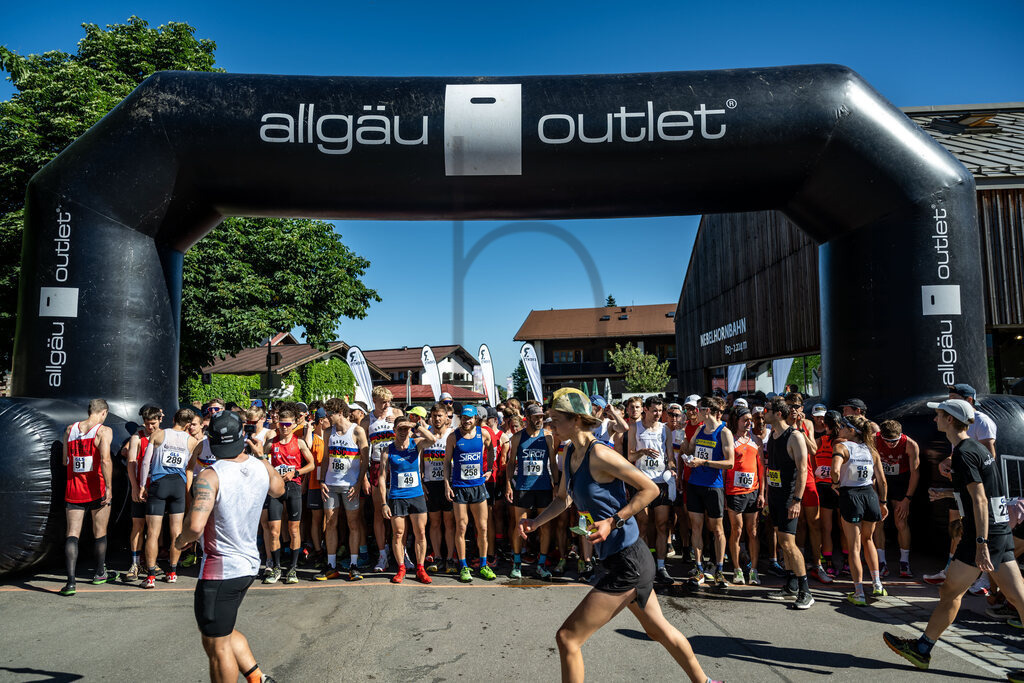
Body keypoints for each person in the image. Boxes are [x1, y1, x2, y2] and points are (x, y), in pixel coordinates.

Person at [521, 389, 718, 683]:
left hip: (629, 562)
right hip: (618, 558)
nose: (551, 426)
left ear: (576, 420)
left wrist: (613, 521)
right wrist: (536, 522)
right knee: (658, 629)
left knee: (567, 638)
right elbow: (563, 499)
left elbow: (649, 490)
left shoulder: (600, 454)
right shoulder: (572, 453)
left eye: (556, 420)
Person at [883, 398, 1024, 671]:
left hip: (983, 535)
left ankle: (922, 648)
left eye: (938, 414)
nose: (934, 418)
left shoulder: (964, 453)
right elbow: (982, 493)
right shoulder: (975, 448)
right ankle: (922, 648)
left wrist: (981, 543)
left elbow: (981, 500)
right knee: (961, 592)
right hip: (996, 529)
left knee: (961, 592)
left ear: (950, 419)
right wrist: (947, 493)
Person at [175, 410, 284, 683]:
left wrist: (180, 541)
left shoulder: (210, 476)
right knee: (222, 630)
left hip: (220, 569)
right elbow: (280, 488)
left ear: (211, 440)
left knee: (216, 644)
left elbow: (196, 526)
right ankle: (257, 677)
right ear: (243, 437)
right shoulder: (260, 467)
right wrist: (260, 455)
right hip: (248, 564)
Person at [828, 412, 889, 605]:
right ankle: (878, 584)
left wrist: (835, 484)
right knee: (868, 540)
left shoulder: (842, 447)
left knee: (854, 547)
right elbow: (883, 481)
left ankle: (859, 592)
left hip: (851, 496)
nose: (841, 430)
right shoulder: (871, 450)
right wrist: (883, 502)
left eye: (844, 427)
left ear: (852, 431)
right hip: (870, 495)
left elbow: (835, 470)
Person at [59, 399, 115, 596]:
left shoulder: (69, 430)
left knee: (72, 534)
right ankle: (100, 572)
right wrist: (109, 487)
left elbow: (65, 461)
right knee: (99, 532)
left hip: (74, 489)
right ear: (103, 412)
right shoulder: (104, 431)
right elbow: (106, 460)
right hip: (97, 490)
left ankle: (71, 582)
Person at [763, 396, 814, 609]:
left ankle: (806, 591)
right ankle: (791, 584)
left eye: (767, 410)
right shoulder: (772, 436)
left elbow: (803, 469)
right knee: (783, 542)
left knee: (788, 543)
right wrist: (767, 497)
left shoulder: (795, 436)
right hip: (774, 496)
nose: (763, 413)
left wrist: (797, 500)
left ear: (778, 414)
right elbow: (770, 469)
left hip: (788, 498)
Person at [139, 407, 199, 588]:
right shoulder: (193, 441)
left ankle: (150, 576)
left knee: (153, 533)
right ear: (188, 424)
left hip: (159, 484)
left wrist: (143, 485)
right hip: (178, 487)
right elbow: (191, 468)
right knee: (176, 532)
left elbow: (145, 462)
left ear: (173, 418)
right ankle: (172, 572)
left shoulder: (158, 434)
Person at [683, 396, 734, 588]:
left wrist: (703, 462)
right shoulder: (700, 429)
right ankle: (699, 568)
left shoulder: (724, 432)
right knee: (696, 527)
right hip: (695, 483)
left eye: (699, 409)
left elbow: (730, 463)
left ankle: (719, 570)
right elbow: (688, 450)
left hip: (714, 486)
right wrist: (690, 446)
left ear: (707, 411)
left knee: (717, 529)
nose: (695, 413)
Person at [261, 404, 315, 584]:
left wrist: (296, 473)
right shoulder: (271, 443)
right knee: (275, 531)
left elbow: (312, 464)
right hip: (276, 489)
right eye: (282, 424)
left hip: (294, 487)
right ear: (278, 425)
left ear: (293, 424)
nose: (285, 428)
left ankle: (292, 569)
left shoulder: (299, 443)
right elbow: (259, 461)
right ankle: (276, 567)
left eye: (288, 424)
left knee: (293, 529)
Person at [316, 399, 369, 581]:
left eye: (329, 413)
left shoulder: (357, 431)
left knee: (353, 524)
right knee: (330, 522)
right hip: (331, 484)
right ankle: (331, 565)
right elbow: (324, 459)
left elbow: (365, 460)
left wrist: (359, 482)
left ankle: (354, 565)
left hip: (350, 485)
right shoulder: (328, 432)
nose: (327, 417)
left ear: (339, 412)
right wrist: (321, 480)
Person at [380, 414, 435, 584]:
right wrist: (384, 502)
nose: (404, 431)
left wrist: (416, 425)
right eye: (400, 428)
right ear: (394, 430)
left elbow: (432, 439)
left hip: (416, 495)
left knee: (420, 532)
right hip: (397, 496)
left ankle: (420, 568)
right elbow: (382, 477)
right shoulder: (388, 450)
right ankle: (401, 568)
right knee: (398, 534)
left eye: (406, 428)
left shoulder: (416, 443)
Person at [444, 404, 497, 582]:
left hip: (478, 486)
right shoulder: (453, 437)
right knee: (461, 527)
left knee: (482, 527)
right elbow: (446, 463)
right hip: (459, 486)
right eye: (464, 418)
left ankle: (483, 565)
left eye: (469, 418)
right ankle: (463, 566)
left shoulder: (484, 434)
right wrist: (447, 483)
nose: (466, 421)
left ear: (476, 419)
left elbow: (491, 450)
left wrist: (489, 468)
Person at [506, 403, 558, 579]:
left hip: (543, 487)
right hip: (523, 487)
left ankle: (541, 564)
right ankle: (517, 563)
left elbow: (552, 462)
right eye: (536, 417)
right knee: (519, 526)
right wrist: (508, 484)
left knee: (545, 525)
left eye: (541, 417)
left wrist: (556, 484)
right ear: (527, 418)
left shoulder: (548, 437)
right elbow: (511, 462)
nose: (539, 420)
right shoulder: (517, 437)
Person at [627, 396, 675, 584]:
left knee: (662, 525)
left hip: (660, 482)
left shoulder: (665, 429)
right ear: (645, 409)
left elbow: (669, 457)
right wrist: (643, 452)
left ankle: (661, 566)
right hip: (641, 483)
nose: (657, 414)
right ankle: (644, 565)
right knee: (643, 524)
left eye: (660, 411)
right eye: (654, 410)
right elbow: (630, 456)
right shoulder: (635, 427)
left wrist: (672, 468)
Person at [363, 386, 403, 572]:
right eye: (383, 402)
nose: (386, 405)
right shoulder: (366, 420)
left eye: (389, 401)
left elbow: (409, 436)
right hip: (377, 465)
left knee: (400, 512)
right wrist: (364, 476)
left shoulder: (397, 412)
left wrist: (399, 421)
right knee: (379, 513)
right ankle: (382, 555)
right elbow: (362, 452)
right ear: (374, 401)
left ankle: (402, 552)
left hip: (397, 465)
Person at [873, 419, 920, 578]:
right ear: (881, 436)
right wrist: (876, 495)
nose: (891, 444)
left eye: (894, 441)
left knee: (901, 521)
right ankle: (881, 562)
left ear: (901, 435)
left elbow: (915, 473)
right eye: (887, 441)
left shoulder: (910, 444)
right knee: (878, 521)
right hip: (881, 481)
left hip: (901, 482)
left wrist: (907, 499)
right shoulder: (874, 439)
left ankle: (904, 562)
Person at [725, 406, 764, 585]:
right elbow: (726, 468)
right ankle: (737, 569)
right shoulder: (730, 440)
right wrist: (724, 494)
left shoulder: (756, 440)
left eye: (751, 420)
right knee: (737, 530)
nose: (749, 423)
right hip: (734, 492)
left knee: (753, 531)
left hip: (753, 491)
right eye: (745, 420)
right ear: (736, 420)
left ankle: (754, 570)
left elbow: (761, 468)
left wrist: (762, 493)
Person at [124, 404, 162, 582]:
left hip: (159, 489)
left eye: (153, 423)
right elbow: (131, 462)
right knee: (138, 526)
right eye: (147, 423)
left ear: (160, 420)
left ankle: (151, 562)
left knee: (154, 529)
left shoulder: (164, 436)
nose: (150, 427)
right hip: (140, 488)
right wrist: (134, 486)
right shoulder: (137, 438)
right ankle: (134, 564)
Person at [422, 402, 456, 573]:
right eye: (434, 416)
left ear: (446, 417)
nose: (437, 419)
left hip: (447, 484)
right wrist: (421, 482)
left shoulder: (452, 435)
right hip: (430, 484)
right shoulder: (426, 436)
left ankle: (450, 558)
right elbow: (419, 461)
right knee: (434, 523)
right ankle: (437, 557)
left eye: (440, 415)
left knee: (449, 523)